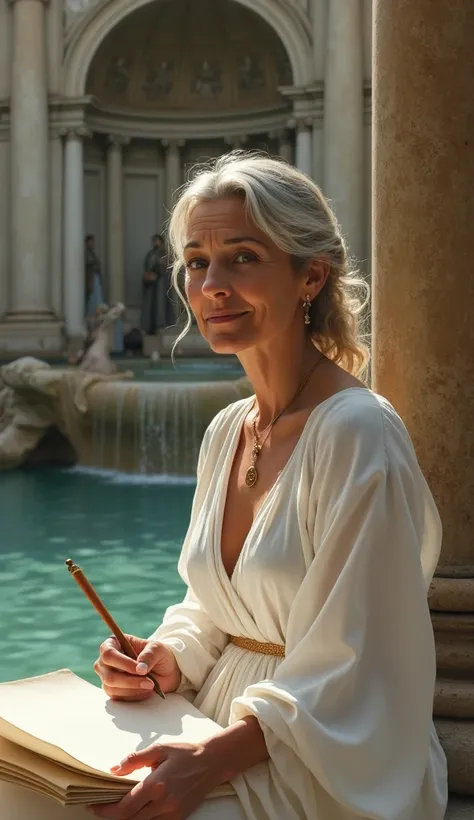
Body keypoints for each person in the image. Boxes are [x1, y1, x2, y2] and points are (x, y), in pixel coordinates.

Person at [93, 154, 448, 820]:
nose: (213, 285)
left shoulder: (358, 432)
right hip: (217, 724)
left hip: (329, 757)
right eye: (197, 262)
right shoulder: (228, 429)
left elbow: (363, 659)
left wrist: (211, 761)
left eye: (243, 257)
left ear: (310, 275)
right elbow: (214, 603)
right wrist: (168, 658)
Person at [141, 234, 174, 335]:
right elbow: (147, 265)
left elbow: (167, 268)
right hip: (151, 285)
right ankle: (150, 327)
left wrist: (158, 272)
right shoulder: (151, 254)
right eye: (154, 241)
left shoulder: (164, 254)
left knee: (161, 305)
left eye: (157, 241)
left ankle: (161, 324)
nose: (156, 243)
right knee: (150, 305)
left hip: (161, 284)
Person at [85, 234, 104, 316]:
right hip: (91, 278)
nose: (93, 244)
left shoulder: (92, 253)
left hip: (95, 278)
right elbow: (90, 264)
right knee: (92, 300)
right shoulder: (87, 253)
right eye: (91, 242)